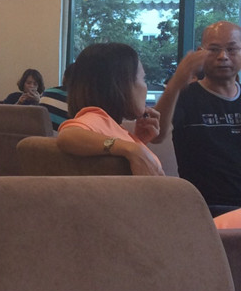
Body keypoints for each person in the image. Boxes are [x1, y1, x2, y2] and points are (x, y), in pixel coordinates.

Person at [154, 20, 241, 217]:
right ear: (200, 53)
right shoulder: (185, 96)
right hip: (203, 207)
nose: (223, 56)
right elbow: (155, 134)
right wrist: (176, 82)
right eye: (214, 50)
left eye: (231, 49)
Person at [57, 43, 164, 175]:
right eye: (143, 78)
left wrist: (138, 140)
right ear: (121, 84)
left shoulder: (111, 126)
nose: (145, 87)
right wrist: (131, 148)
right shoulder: (96, 117)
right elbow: (68, 135)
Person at [38, 65, 72, 131]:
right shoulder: (78, 102)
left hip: (42, 135)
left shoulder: (47, 92)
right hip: (64, 135)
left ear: (64, 77)